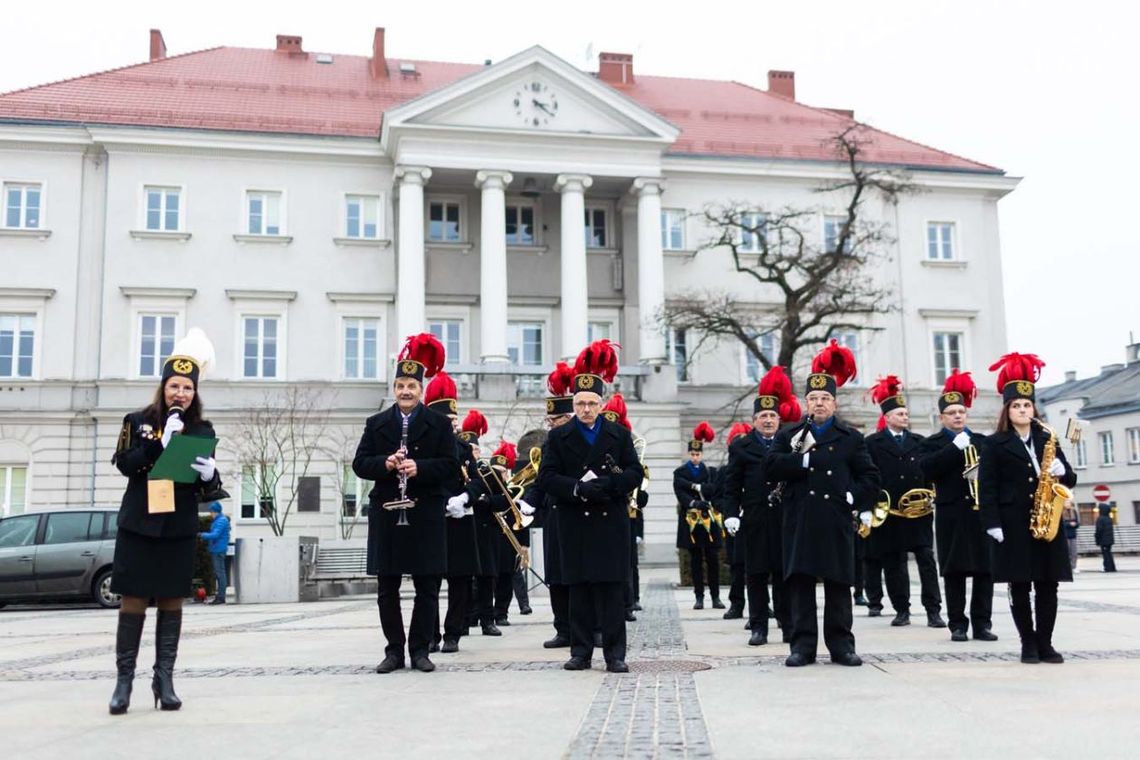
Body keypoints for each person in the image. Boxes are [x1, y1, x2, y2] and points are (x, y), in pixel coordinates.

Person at [108, 328, 222, 715]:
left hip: (177, 526)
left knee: (172, 600)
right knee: (134, 599)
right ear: (163, 387)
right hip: (139, 525)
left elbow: (207, 486)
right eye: (174, 386)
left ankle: (164, 679)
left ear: (195, 393)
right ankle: (124, 681)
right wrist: (160, 444)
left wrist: (211, 476)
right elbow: (126, 465)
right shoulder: (136, 420)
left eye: (187, 388)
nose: (180, 394)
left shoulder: (202, 429)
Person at [766, 339, 880, 667]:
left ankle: (841, 645)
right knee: (800, 584)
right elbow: (769, 468)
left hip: (835, 518)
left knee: (838, 584)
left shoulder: (850, 437)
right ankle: (802, 646)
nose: (819, 403)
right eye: (814, 398)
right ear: (806, 402)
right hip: (800, 518)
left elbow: (870, 477)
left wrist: (851, 496)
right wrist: (802, 462)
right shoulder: (790, 435)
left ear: (834, 402)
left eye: (825, 398)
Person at [353, 334, 460, 674]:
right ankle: (394, 651)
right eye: (400, 385)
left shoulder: (439, 424)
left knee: (427, 585)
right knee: (388, 587)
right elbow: (359, 463)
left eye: (411, 386)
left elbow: (451, 465)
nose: (405, 391)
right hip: (387, 513)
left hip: (425, 513)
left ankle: (420, 650)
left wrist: (420, 468)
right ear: (394, 387)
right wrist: (385, 463)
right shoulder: (376, 424)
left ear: (421, 389)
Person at [537, 339, 642, 673]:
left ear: (602, 403)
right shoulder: (558, 436)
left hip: (610, 521)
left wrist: (608, 485)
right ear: (573, 404)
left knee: (611, 591)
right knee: (579, 590)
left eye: (592, 403)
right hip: (574, 520)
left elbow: (635, 472)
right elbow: (546, 477)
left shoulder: (618, 435)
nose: (586, 409)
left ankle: (615, 655)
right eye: (580, 403)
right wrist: (577, 488)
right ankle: (580, 652)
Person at [979, 352, 1076, 664]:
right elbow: (987, 486)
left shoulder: (1048, 438)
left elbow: (1070, 478)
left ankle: (1045, 643)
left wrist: (1063, 470)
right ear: (1007, 410)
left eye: (1027, 405)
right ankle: (1028, 643)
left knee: (1048, 585)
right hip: (1013, 523)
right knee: (1019, 584)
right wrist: (992, 523)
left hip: (1048, 521)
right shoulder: (994, 443)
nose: (1023, 410)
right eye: (1016, 405)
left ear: (1034, 408)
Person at [917, 370, 997, 642]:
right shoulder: (932, 444)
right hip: (951, 514)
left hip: (980, 514)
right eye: (951, 413)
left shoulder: (982, 442)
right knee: (954, 572)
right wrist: (953, 448)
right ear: (942, 418)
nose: (957, 416)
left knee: (985, 571)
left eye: (961, 411)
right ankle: (958, 625)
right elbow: (926, 470)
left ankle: (982, 624)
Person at [721, 366, 799, 646]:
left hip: (784, 518)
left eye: (772, 416)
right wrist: (730, 514)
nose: (768, 420)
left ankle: (787, 625)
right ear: (754, 420)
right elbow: (731, 486)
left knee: (783, 575)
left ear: (779, 419)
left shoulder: (791, 444)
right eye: (763, 416)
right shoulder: (741, 447)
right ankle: (759, 627)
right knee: (755, 575)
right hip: (754, 519)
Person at [864, 375, 946, 629]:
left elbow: (930, 471)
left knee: (926, 560)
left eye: (906, 413)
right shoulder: (872, 443)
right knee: (894, 563)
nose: (905, 417)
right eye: (900, 414)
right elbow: (868, 475)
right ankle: (902, 610)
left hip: (918, 513)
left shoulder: (920, 441)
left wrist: (932, 494)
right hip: (890, 513)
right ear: (887, 417)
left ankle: (933, 610)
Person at [425, 372, 481, 654]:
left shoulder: (463, 448)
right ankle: (431, 634)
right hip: (433, 519)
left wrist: (465, 497)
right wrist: (445, 500)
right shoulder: (424, 447)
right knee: (430, 581)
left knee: (460, 580)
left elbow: (477, 480)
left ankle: (453, 633)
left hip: (460, 519)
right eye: (447, 420)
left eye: (454, 419)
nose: (453, 425)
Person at [537, 363, 575, 649]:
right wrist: (528, 503)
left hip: (577, 510)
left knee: (580, 575)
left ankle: (590, 627)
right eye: (549, 420)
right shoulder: (550, 443)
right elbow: (542, 479)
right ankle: (562, 628)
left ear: (568, 417)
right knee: (556, 575)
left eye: (555, 420)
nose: (551, 425)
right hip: (554, 514)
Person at [674, 422, 724, 610]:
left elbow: (715, 490)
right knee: (695, 561)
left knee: (713, 560)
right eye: (693, 454)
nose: (695, 457)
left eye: (698, 454)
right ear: (689, 454)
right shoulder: (680, 472)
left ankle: (715, 596)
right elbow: (680, 493)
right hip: (691, 521)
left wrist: (699, 488)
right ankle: (699, 597)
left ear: (702, 454)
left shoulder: (710, 472)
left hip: (709, 519)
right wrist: (694, 503)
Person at [601, 393, 641, 622]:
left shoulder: (625, 447)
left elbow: (640, 486)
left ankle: (629, 602)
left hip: (626, 513)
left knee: (628, 561)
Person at [198, 502, 231, 604]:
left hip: (218, 550)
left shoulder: (221, 521)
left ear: (215, 511)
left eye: (211, 512)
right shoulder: (220, 520)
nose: (210, 514)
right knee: (219, 573)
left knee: (220, 574)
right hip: (217, 549)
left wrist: (202, 535)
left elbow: (215, 535)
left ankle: (221, 597)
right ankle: (220, 596)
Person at [1095, 505, 1116, 572]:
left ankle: (1108, 568)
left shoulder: (1100, 519)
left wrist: (1097, 538)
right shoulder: (1109, 518)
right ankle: (1112, 567)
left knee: (1106, 555)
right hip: (1109, 540)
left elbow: (1099, 530)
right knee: (1109, 553)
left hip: (1103, 540)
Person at [1062, 505, 1080, 573]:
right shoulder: (1062, 512)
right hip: (1065, 535)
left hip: (1073, 535)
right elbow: (1062, 524)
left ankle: (1074, 567)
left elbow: (1078, 523)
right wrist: (1069, 524)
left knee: (1074, 552)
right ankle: (1067, 567)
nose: (1068, 504)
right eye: (1066, 503)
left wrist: (1075, 524)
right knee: (1067, 552)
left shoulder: (1074, 511)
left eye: (1069, 503)